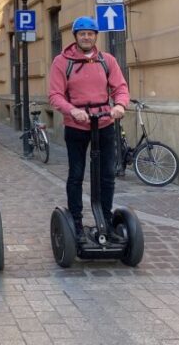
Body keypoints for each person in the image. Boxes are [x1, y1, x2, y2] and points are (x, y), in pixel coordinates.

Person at [48, 16, 129, 242]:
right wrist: (71, 110)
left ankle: (105, 219)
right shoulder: (62, 62)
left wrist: (120, 104)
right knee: (76, 174)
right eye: (82, 34)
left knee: (107, 175)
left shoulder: (107, 60)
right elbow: (54, 94)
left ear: (96, 36)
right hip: (77, 125)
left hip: (104, 123)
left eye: (90, 34)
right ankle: (75, 220)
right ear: (75, 37)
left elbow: (120, 87)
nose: (86, 37)